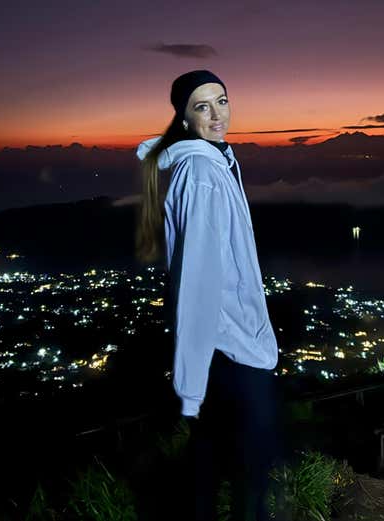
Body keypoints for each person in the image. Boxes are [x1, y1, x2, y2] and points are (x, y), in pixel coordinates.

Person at [135, 70, 280, 521]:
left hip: (229, 348)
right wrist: (191, 387)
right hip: (230, 350)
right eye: (202, 106)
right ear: (183, 118)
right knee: (250, 476)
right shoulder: (201, 173)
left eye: (222, 100)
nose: (217, 114)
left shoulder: (215, 162)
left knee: (214, 466)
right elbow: (196, 283)